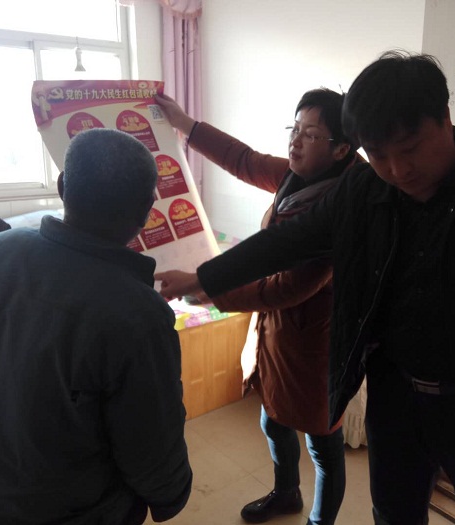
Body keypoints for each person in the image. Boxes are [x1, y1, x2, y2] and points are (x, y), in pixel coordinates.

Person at [155, 51, 455, 525]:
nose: (398, 170)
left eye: (410, 148)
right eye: (379, 155)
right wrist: (206, 278)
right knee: (392, 515)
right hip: (396, 400)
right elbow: (291, 240)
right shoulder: (364, 189)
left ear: (445, 117)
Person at [0, 128, 192, 525]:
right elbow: (150, 446)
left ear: (62, 187)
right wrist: (170, 496)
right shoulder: (138, 315)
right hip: (73, 512)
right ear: (148, 209)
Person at [155, 88, 362, 525]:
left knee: (323, 444)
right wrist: (185, 124)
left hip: (317, 342)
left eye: (310, 134)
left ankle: (320, 522)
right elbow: (243, 159)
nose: (295, 141)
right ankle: (286, 494)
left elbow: (285, 290)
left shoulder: (342, 206)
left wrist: (211, 293)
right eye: (295, 128)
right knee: (272, 419)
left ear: (342, 149)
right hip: (276, 332)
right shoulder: (293, 175)